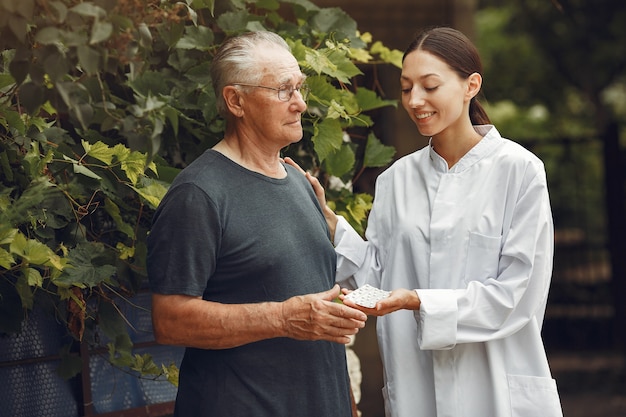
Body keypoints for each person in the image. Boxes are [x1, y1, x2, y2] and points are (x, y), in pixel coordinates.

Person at [288, 26, 563, 417]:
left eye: (430, 86)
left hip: (495, 388)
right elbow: (378, 283)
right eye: (405, 88)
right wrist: (331, 224)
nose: (415, 100)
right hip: (417, 388)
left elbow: (516, 295)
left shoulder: (519, 171)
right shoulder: (395, 180)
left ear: (471, 86)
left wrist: (419, 301)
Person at [146, 30, 367, 417]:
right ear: (236, 100)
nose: (299, 104)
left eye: (300, 88)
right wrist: (282, 318)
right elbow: (170, 320)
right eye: (283, 90)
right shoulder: (198, 194)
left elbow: (319, 318)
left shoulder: (299, 181)